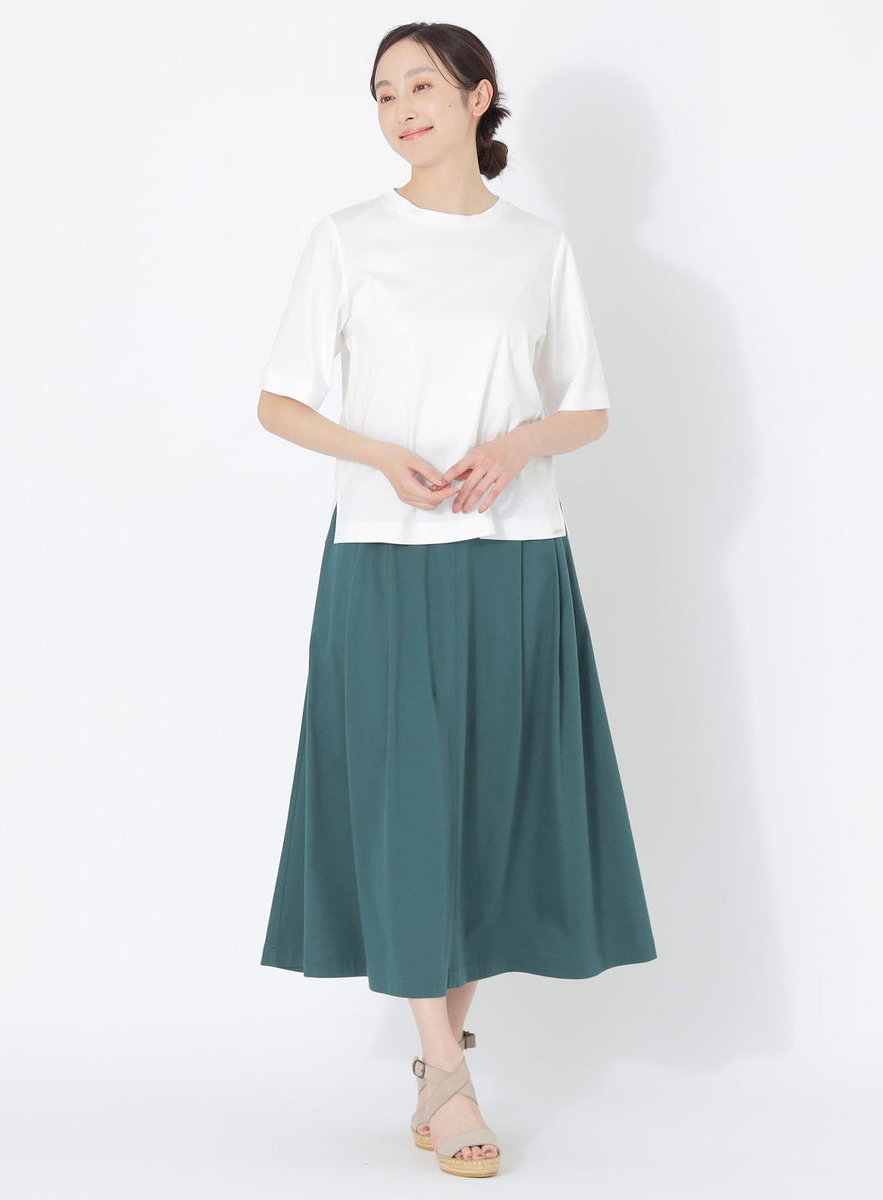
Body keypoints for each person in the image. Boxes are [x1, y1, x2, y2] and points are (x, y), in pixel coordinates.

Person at [255, 21, 657, 1179]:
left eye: (421, 84)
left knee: (487, 810)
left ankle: (438, 1067)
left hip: (516, 555)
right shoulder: (348, 239)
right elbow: (279, 401)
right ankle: (448, 1070)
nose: (400, 108)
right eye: (383, 92)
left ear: (480, 97)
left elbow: (587, 406)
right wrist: (378, 454)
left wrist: (519, 442)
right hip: (385, 555)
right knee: (406, 809)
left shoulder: (538, 249)